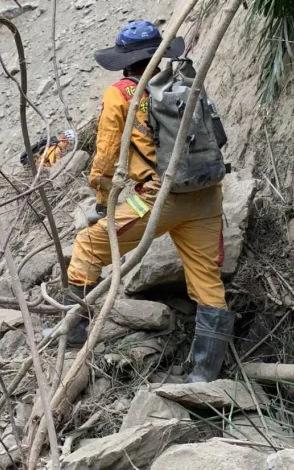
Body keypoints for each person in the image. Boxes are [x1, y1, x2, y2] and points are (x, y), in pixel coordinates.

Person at [64, 20, 234, 383]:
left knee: (88, 245)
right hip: (206, 196)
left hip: (158, 200)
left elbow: (107, 154)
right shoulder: (184, 84)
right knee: (207, 282)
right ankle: (205, 375)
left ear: (125, 61)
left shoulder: (120, 93)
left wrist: (102, 198)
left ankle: (74, 333)